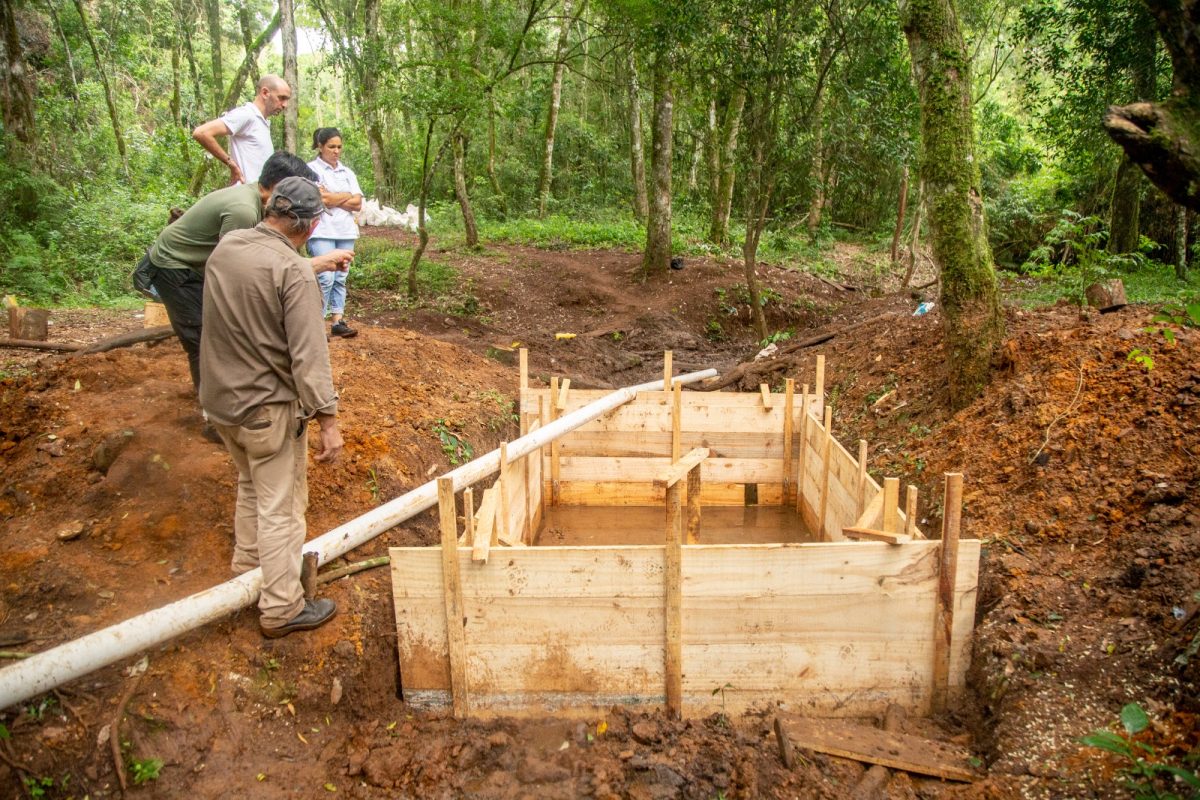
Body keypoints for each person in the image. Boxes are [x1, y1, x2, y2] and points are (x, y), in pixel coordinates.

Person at [199, 177, 346, 639]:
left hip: (221, 403)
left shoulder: (227, 248)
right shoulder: (295, 272)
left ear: (271, 209)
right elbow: (308, 357)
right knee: (281, 506)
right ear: (312, 224)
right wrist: (329, 421)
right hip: (266, 410)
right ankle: (282, 606)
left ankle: (247, 573)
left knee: (250, 484)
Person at [307, 127, 363, 338]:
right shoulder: (310, 170)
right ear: (320, 147)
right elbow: (322, 199)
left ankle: (338, 321)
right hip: (321, 230)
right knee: (325, 277)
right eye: (331, 146)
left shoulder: (347, 172)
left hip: (345, 231)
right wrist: (345, 196)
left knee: (341, 276)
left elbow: (358, 204)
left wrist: (335, 197)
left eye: (339, 147)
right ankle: (316, 324)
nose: (336, 151)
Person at [192, 75, 292, 185]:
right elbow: (201, 133)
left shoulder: (262, 121)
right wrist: (231, 163)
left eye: (287, 100)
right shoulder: (247, 114)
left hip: (257, 194)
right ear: (265, 93)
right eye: (281, 98)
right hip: (245, 194)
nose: (285, 105)